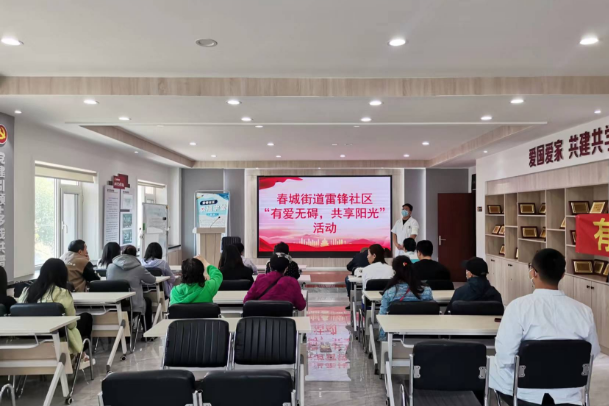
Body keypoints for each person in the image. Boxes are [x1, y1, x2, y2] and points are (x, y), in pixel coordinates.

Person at [489, 249, 600, 405]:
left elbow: (505, 357)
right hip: (569, 392)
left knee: (487, 366)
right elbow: (592, 354)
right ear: (563, 275)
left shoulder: (518, 307)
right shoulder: (584, 311)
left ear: (533, 273)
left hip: (525, 393)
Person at [18, 259, 93, 359]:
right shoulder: (62, 293)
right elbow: (71, 324)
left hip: (28, 340)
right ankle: (80, 355)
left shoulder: (26, 291)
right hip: (56, 340)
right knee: (85, 318)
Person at [378, 256, 433, 339]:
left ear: (395, 272)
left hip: (394, 337)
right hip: (424, 335)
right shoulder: (427, 291)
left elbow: (382, 317)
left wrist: (382, 338)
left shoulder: (390, 293)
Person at [106, 245, 156, 330]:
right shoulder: (139, 268)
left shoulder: (110, 267)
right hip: (133, 306)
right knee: (147, 301)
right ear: (135, 255)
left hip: (113, 305)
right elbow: (152, 280)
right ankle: (147, 332)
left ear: (122, 253)